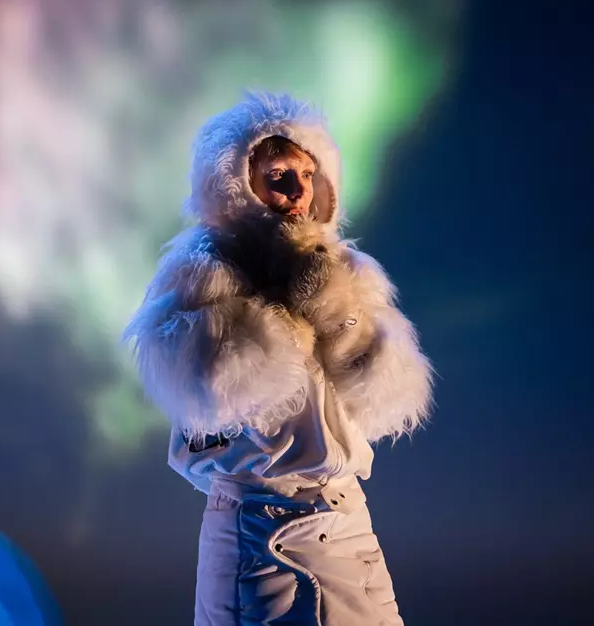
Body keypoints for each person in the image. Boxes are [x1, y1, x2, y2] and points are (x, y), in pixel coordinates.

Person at [124, 92, 433, 625]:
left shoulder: (345, 270)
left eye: (306, 175)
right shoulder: (203, 271)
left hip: (347, 528)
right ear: (239, 182)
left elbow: (388, 399)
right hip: (259, 534)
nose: (296, 191)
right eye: (278, 176)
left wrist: (335, 310)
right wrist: (285, 313)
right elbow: (209, 393)